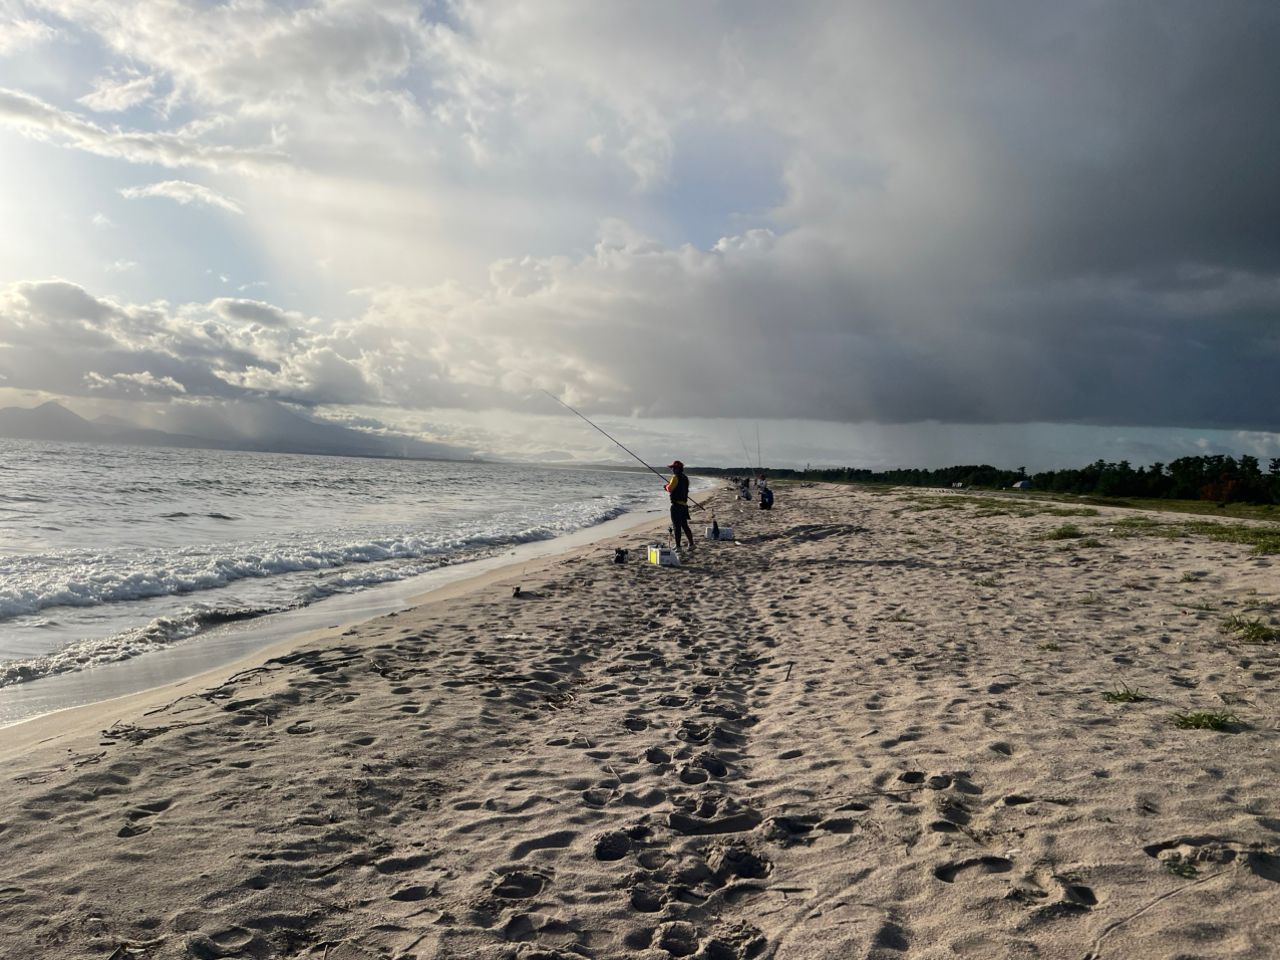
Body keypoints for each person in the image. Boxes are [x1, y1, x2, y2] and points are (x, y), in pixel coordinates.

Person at [665, 459, 694, 553]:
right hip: (684, 506)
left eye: (674, 468)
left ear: (678, 469)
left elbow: (670, 489)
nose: (672, 470)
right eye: (672, 468)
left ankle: (678, 547)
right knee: (685, 526)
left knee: (676, 526)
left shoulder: (675, 477)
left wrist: (666, 486)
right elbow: (683, 488)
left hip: (676, 506)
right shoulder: (685, 478)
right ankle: (692, 544)